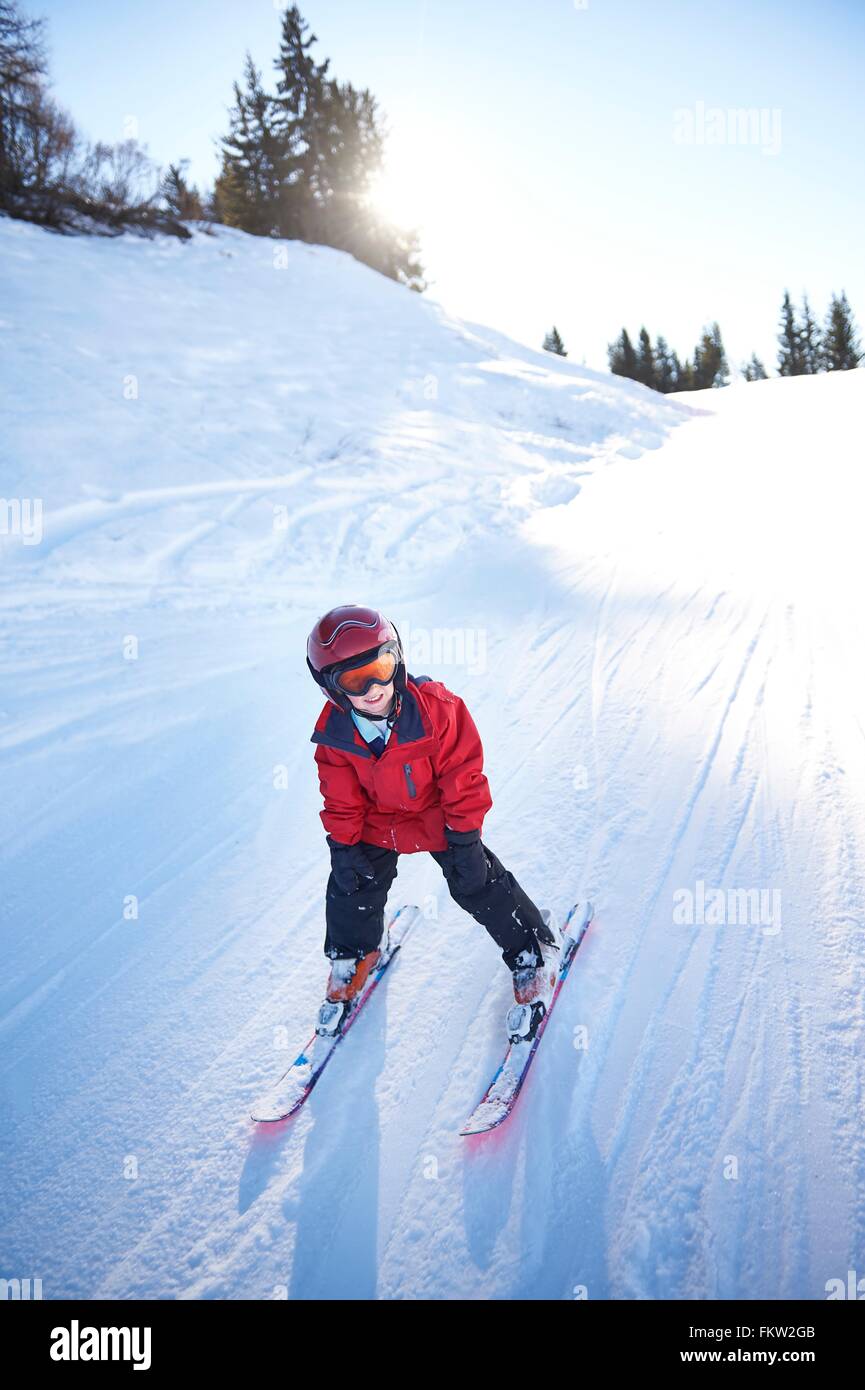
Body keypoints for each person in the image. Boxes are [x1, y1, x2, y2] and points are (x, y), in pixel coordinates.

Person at [306, 604, 558, 1043]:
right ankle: (354, 953)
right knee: (352, 882)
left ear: (397, 658)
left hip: (438, 814)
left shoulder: (437, 710)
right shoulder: (336, 734)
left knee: (474, 880)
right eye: (353, 680)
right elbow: (341, 798)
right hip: (378, 823)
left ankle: (531, 951)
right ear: (330, 687)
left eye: (381, 668)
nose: (373, 688)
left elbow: (464, 776)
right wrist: (343, 847)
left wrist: (464, 840)